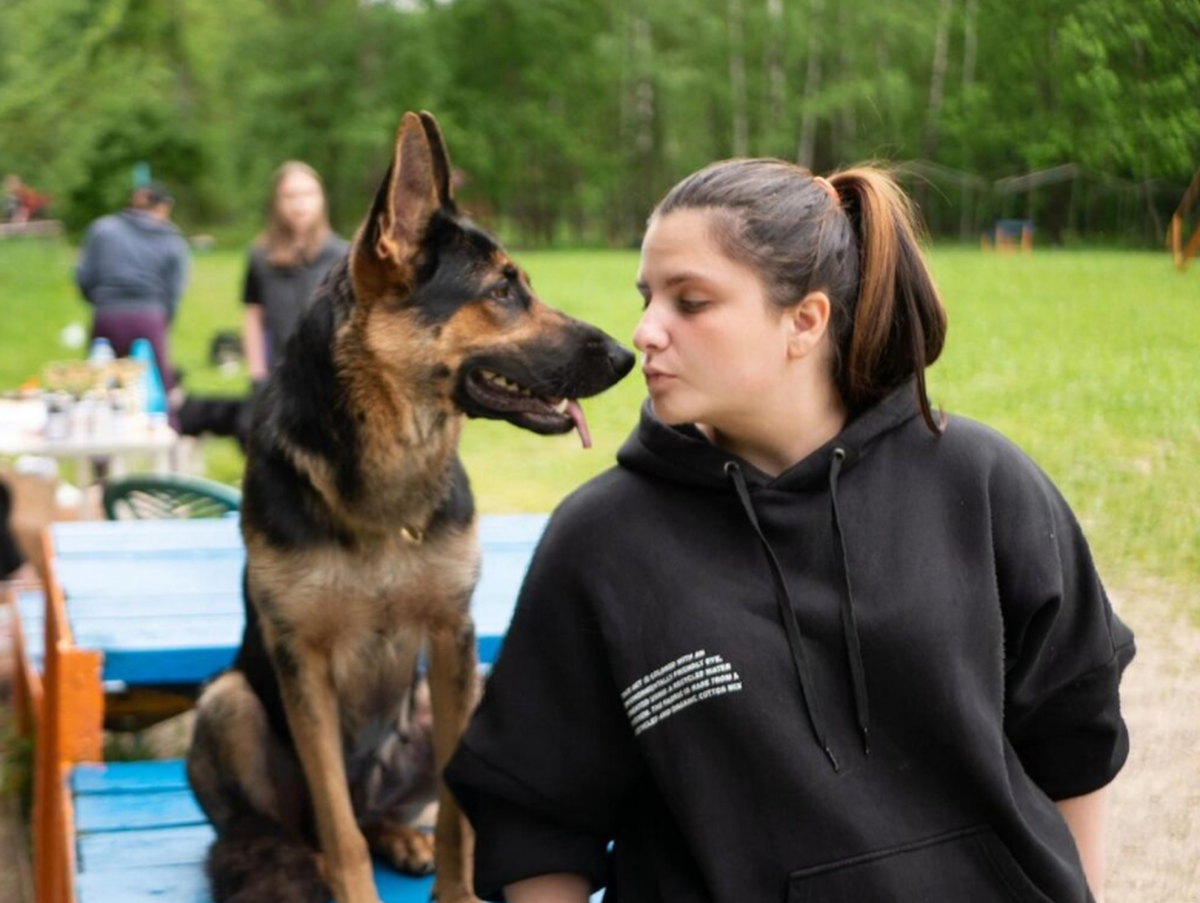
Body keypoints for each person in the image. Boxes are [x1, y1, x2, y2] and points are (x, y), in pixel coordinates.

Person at [444, 161, 1135, 902]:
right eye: (648, 298)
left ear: (804, 321)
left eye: (691, 301)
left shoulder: (981, 481)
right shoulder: (600, 543)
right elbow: (535, 820)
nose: (645, 331)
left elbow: (1074, 734)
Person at [75, 182, 189, 395]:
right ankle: (166, 424)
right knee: (159, 384)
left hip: (107, 315)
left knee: (98, 385)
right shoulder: (171, 237)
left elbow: (83, 274)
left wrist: (100, 301)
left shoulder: (102, 229)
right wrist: (165, 317)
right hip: (151, 315)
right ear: (163, 207)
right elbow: (175, 288)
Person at [242, 161, 347, 380]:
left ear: (322, 199)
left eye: (308, 194)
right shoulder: (260, 256)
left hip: (327, 377)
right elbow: (253, 314)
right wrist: (256, 373)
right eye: (290, 196)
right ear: (276, 202)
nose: (300, 205)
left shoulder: (342, 255)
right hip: (278, 374)